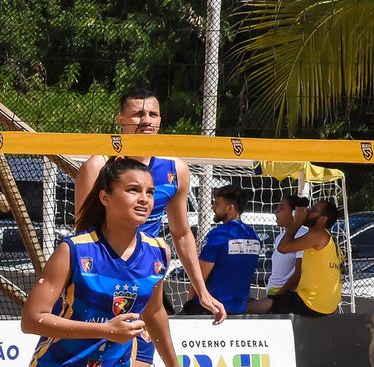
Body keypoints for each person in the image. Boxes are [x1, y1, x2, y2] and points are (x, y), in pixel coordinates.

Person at [74, 89, 225, 366]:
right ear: (120, 119)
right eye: (137, 114)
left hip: (144, 279)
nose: (146, 120)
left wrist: (202, 291)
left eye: (152, 114)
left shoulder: (175, 168)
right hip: (100, 285)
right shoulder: (98, 165)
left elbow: (181, 234)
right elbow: (82, 235)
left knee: (144, 354)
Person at [24, 157, 179, 367]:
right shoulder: (74, 249)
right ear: (105, 197)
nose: (144, 199)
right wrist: (106, 330)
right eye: (133, 190)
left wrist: (173, 364)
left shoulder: (159, 252)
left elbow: (154, 312)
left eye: (150, 192)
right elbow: (32, 320)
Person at [183, 184, 261, 317]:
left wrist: (189, 304)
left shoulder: (218, 235)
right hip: (239, 309)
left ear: (230, 208)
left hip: (211, 309)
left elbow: (200, 276)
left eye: (217, 204)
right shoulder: (253, 236)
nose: (213, 207)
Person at [269, 198, 343, 317]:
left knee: (258, 306)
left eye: (313, 210)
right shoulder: (330, 241)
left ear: (323, 219)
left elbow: (282, 248)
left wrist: (297, 222)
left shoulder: (319, 234)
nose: (308, 211)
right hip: (327, 306)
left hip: (311, 303)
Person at [246, 194, 306, 314]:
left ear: (294, 213)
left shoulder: (302, 234)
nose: (276, 211)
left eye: (282, 207)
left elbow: (299, 273)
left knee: (242, 309)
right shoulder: (280, 237)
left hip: (284, 296)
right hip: (272, 293)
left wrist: (279, 296)